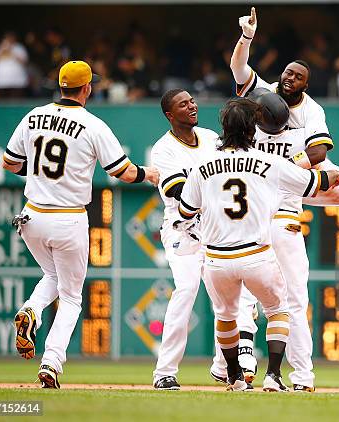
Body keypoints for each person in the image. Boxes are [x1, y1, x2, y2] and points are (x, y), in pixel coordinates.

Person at [229, 8, 339, 391]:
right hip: (275, 199)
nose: (288, 79)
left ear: (305, 85)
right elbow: (240, 70)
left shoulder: (309, 114)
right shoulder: (265, 94)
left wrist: (292, 167)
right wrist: (247, 38)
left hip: (293, 183)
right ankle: (240, 368)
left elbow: (319, 153)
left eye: (297, 76)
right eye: (287, 73)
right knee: (267, 300)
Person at [4, 60, 159, 388]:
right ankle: (51, 362)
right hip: (67, 218)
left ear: (60, 86)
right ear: (88, 88)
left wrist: (35, 174)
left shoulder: (33, 116)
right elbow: (122, 171)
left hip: (31, 215)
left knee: (52, 275)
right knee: (72, 297)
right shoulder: (92, 125)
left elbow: (9, 162)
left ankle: (31, 309)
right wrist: (150, 174)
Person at [177, 98, 339, 391]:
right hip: (257, 254)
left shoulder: (202, 165)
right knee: (279, 309)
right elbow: (312, 183)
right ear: (252, 130)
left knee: (226, 317)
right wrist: (332, 176)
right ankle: (274, 375)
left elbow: (185, 211)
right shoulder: (268, 162)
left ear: (223, 129)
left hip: (217, 259)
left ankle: (235, 377)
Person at [149, 89, 220, 390]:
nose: (191, 106)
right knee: (187, 289)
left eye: (192, 101)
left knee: (226, 298)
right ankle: (164, 371)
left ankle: (225, 366)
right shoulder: (163, 149)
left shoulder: (211, 138)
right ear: (170, 114)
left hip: (215, 228)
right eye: (183, 104)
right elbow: (179, 191)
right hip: (182, 229)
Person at [0, 31, 28, 98]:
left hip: (17, 83)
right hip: (2, 83)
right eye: (7, 38)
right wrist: (1, 50)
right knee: (2, 105)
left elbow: (24, 62)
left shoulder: (19, 48)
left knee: (16, 105)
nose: (9, 39)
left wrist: (11, 50)